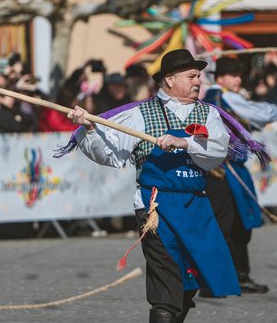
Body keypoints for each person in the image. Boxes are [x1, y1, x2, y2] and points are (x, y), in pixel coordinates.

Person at [60, 49, 265, 322]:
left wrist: (185, 142)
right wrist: (89, 128)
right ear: (169, 79)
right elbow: (110, 153)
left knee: (187, 283)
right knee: (166, 282)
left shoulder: (208, 114)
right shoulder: (139, 114)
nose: (198, 81)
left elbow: (217, 149)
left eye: (199, 76)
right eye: (191, 76)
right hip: (155, 207)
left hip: (196, 205)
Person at [203, 56, 277, 295]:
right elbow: (269, 113)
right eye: (234, 75)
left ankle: (239, 276)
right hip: (222, 171)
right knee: (224, 226)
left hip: (232, 169)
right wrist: (275, 108)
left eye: (239, 75)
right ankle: (215, 281)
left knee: (238, 225)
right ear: (221, 77)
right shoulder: (223, 96)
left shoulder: (223, 96)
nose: (238, 79)